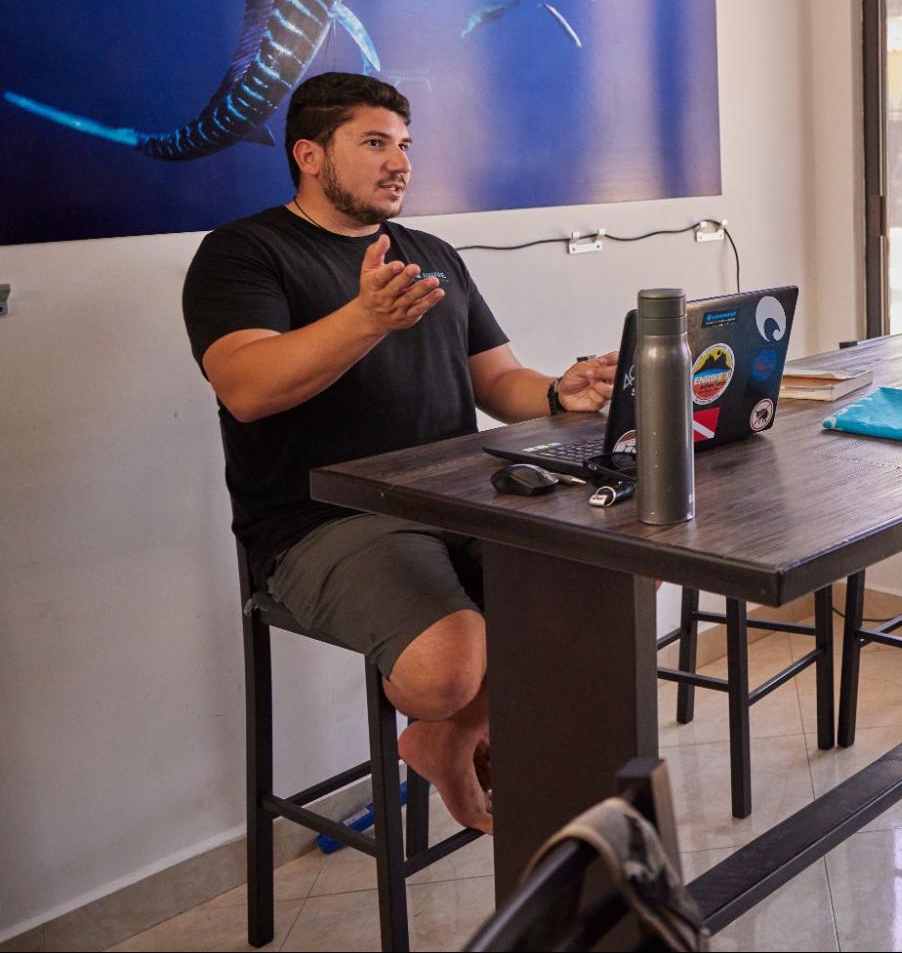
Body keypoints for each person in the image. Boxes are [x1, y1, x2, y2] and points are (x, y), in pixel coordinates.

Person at [182, 73, 618, 834]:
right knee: (446, 668)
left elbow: (499, 380)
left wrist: (560, 392)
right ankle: (455, 722)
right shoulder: (243, 253)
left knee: (588, 595)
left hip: (458, 497)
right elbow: (246, 387)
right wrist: (363, 319)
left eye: (406, 145)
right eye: (376, 143)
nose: (400, 163)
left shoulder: (429, 252)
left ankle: (447, 742)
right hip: (320, 521)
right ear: (309, 156)